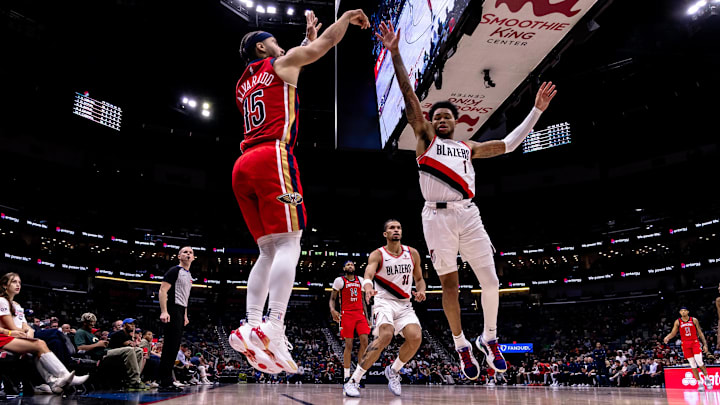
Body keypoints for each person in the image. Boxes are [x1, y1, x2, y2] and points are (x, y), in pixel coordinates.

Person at [375, 21, 557, 379]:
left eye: (447, 117)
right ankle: (460, 346)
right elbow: (412, 101)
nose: (441, 120)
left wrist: (536, 110)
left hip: (469, 214)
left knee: (491, 282)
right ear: (431, 122)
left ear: (457, 122)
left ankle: (489, 338)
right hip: (436, 218)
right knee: (451, 286)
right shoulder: (425, 141)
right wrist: (395, 54)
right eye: (437, 116)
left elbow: (509, 145)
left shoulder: (467, 147)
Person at [228, 8, 370, 375]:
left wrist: (303, 41)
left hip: (242, 163)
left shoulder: (244, 82)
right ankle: (274, 325)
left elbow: (294, 60)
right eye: (273, 41)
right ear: (262, 48)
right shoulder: (280, 63)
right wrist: (347, 17)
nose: (280, 44)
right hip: (272, 156)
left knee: (267, 249)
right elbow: (327, 44)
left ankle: (251, 323)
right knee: (291, 242)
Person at [343, 219, 426, 397]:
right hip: (383, 302)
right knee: (386, 335)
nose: (396, 230)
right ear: (385, 234)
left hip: (404, 304)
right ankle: (353, 381)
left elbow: (419, 279)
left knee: (416, 337)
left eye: (398, 227)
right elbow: (368, 274)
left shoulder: (412, 253)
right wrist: (367, 288)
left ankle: (394, 370)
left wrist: (421, 291)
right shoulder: (378, 254)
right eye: (391, 228)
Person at [0, 272, 87, 394]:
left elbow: (26, 325)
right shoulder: (2, 301)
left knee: (53, 342)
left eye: (19, 282)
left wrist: (29, 333)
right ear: (4, 285)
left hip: (19, 336)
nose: (18, 285)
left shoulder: (17, 305)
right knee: (46, 339)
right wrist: (25, 334)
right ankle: (65, 376)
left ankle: (54, 382)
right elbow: (12, 327)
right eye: (14, 282)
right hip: (5, 337)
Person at [158, 246, 195, 392]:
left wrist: (185, 315)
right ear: (179, 256)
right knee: (169, 346)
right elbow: (162, 290)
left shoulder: (189, 275)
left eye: (190, 253)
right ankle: (165, 381)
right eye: (185, 252)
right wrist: (164, 311)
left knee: (174, 346)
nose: (188, 254)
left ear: (193, 258)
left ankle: (167, 379)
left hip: (180, 310)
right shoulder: (174, 271)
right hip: (172, 308)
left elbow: (185, 297)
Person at [329, 260, 371, 381]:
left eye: (352, 264)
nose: (350, 266)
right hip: (347, 314)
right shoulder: (340, 281)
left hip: (360, 314)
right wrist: (332, 310)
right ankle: (346, 375)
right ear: (344, 268)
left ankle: (358, 374)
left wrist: (367, 318)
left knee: (365, 342)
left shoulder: (361, 280)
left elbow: (363, 300)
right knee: (349, 344)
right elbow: (332, 298)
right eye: (348, 264)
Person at [663, 306, 713, 391]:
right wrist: (667, 337)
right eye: (681, 311)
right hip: (685, 344)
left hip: (694, 342)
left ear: (688, 312)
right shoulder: (678, 322)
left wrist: (705, 345)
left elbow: (700, 333)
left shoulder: (694, 320)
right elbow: (673, 333)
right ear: (679, 312)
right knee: (692, 364)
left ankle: (707, 379)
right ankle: (699, 383)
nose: (683, 312)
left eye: (685, 310)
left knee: (700, 362)